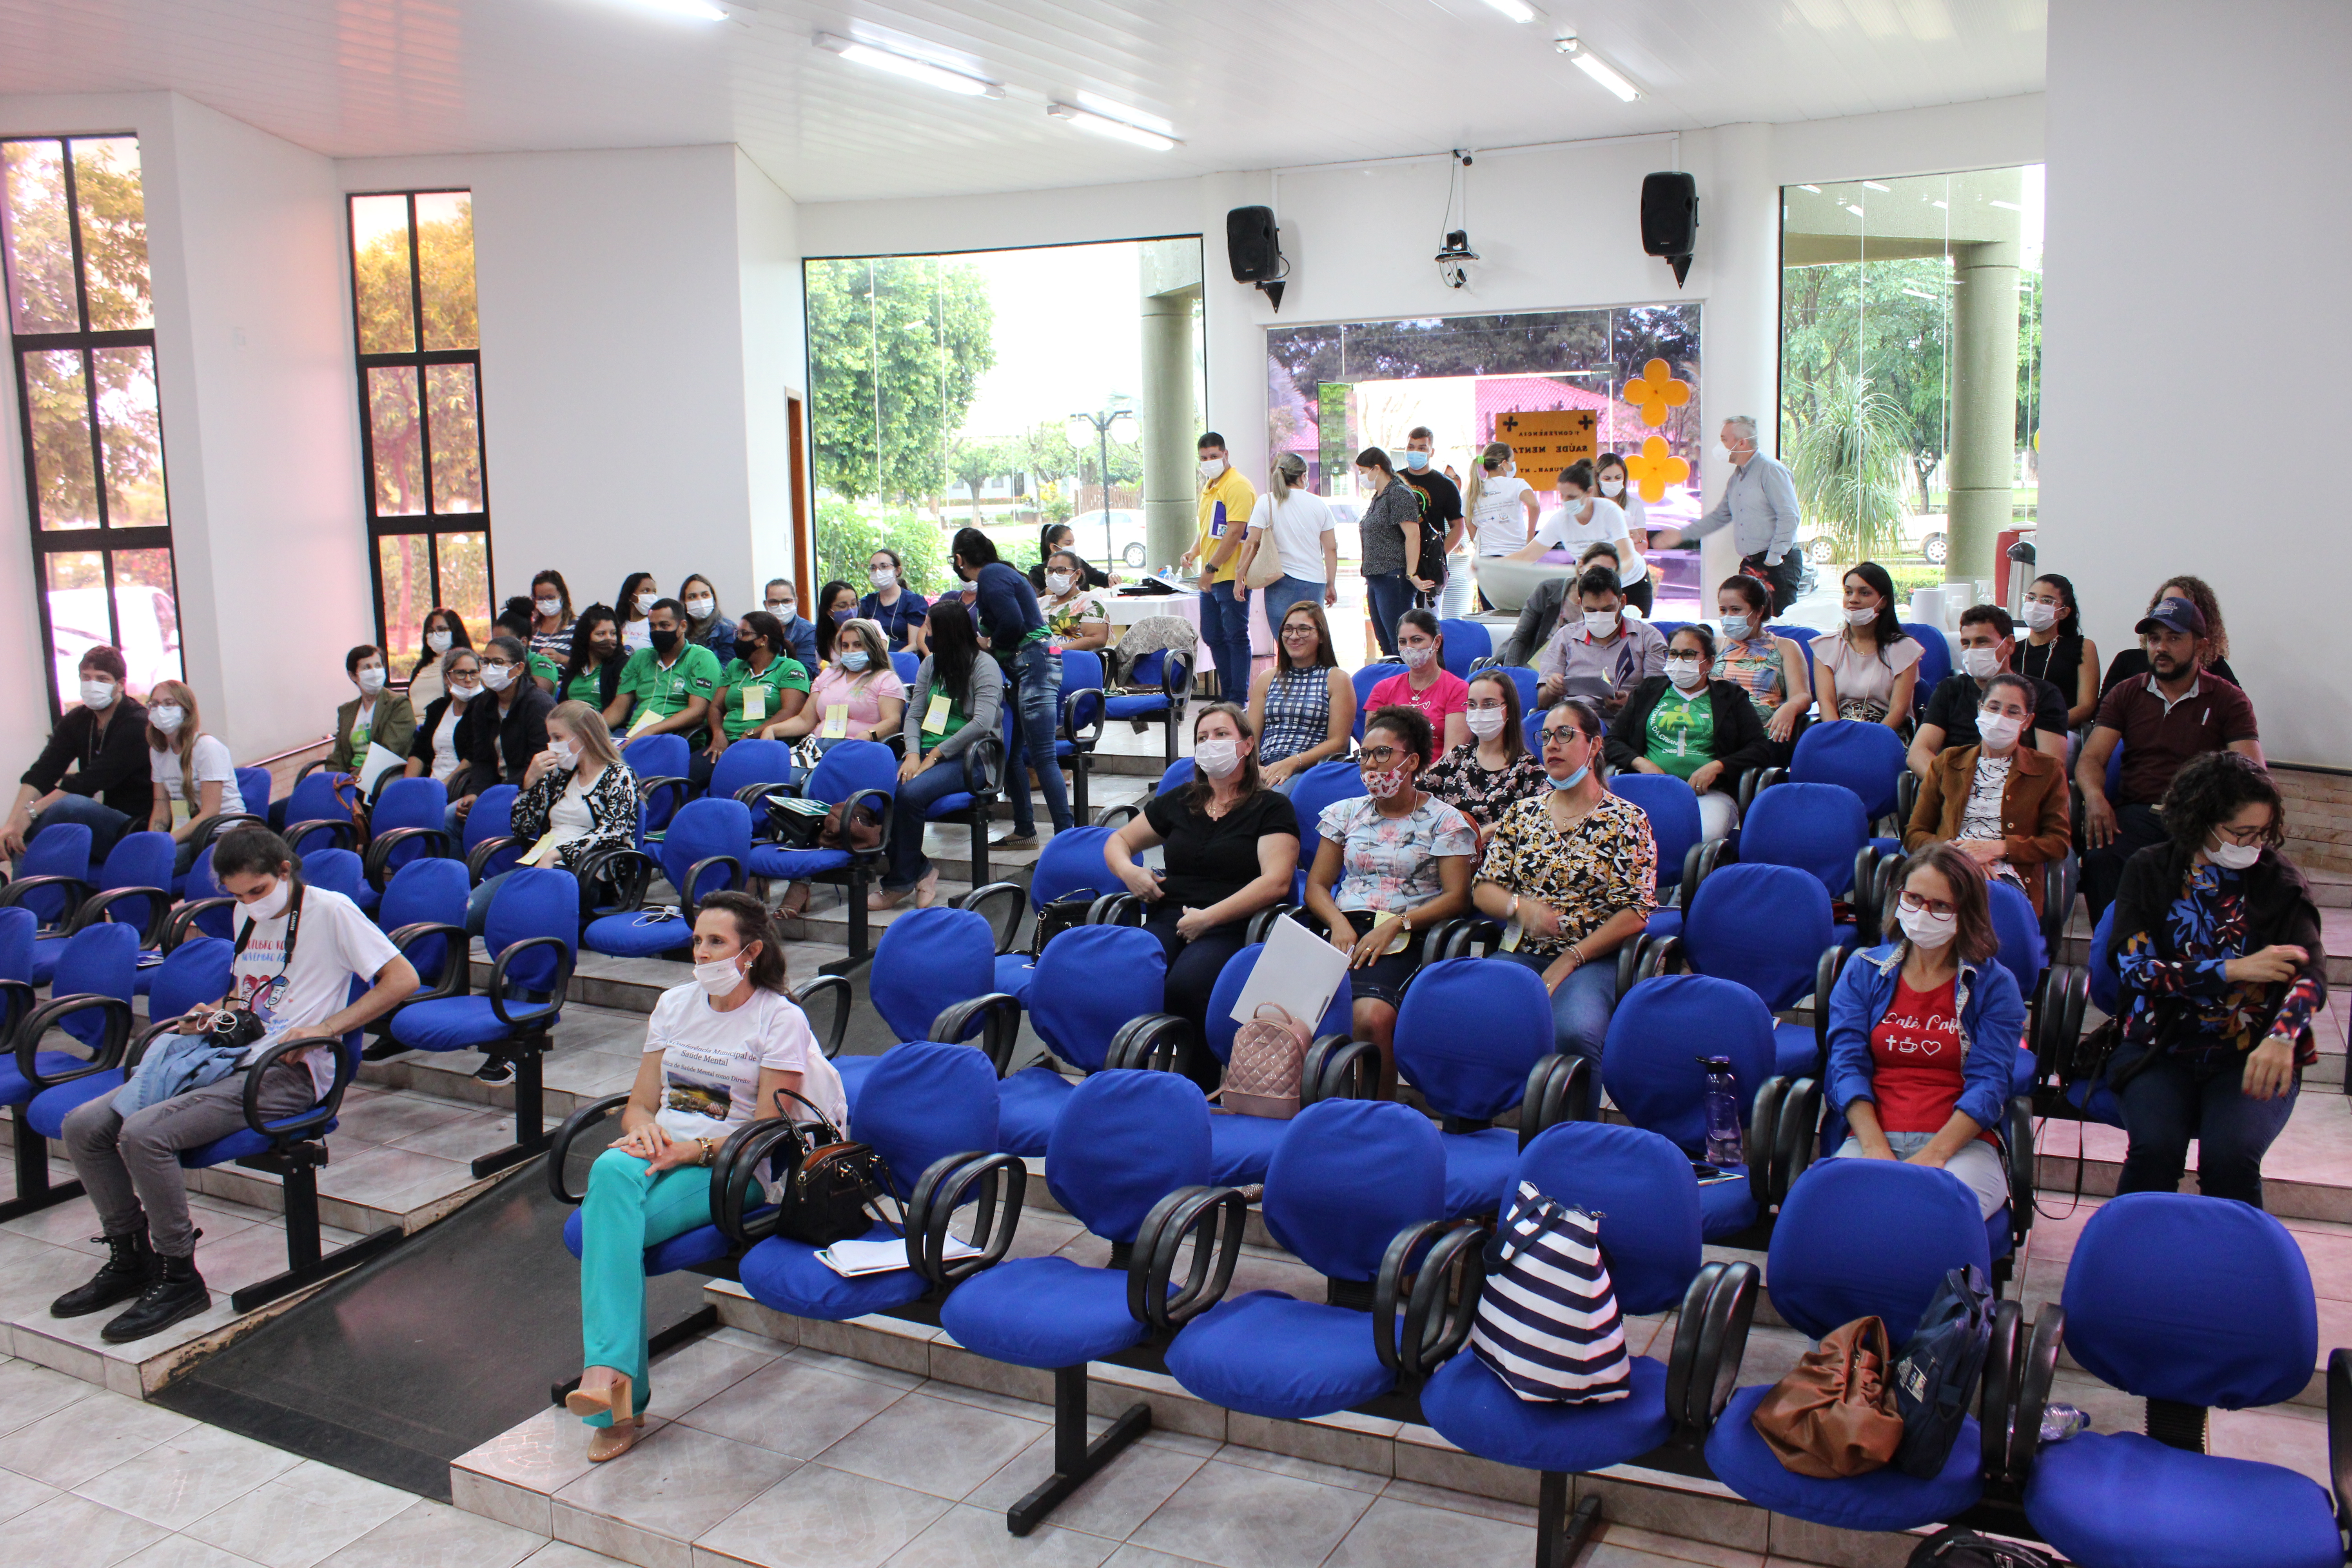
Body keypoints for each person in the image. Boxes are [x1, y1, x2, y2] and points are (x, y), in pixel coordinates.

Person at [51, 826, 418, 1342]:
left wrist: (328, 1027)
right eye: (237, 895)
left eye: (257, 891)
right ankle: (131, 1257)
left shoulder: (332, 910)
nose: (249, 903)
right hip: (229, 1056)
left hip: (289, 1072)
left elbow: (403, 979)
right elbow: (248, 998)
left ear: (285, 871)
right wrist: (213, 1015)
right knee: (84, 1126)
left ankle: (179, 1276)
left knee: (144, 1133)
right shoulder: (247, 913)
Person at [566, 890, 844, 1461]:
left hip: (733, 1167)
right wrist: (646, 1132)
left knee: (608, 1224)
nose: (701, 952)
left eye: (716, 942)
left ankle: (612, 1389)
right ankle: (611, 1378)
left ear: (751, 952)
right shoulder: (674, 1004)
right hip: (660, 1151)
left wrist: (688, 1151)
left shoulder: (779, 1018)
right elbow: (639, 1105)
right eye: (697, 940)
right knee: (612, 1165)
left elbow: (768, 1126)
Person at [2108, 753, 2325, 1211]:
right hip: (2159, 1048)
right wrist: (2235, 970)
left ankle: (2235, 1255)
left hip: (2247, 1052)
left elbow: (2312, 975)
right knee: (2155, 1150)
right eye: (2242, 833)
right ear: (2200, 821)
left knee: (2232, 1158)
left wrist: (2283, 1037)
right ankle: (2130, 1248)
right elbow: (2136, 969)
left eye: (2264, 833)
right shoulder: (2150, 869)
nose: (2254, 845)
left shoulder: (2279, 882)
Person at [1821, 843, 2024, 1220]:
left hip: (1960, 1145)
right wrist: (1876, 1149)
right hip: (1872, 1136)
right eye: (1914, 898)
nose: (1923, 913)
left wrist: (1934, 1156)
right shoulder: (1863, 971)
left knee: (1929, 1220)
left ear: (1967, 913)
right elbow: (1846, 1067)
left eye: (1941, 906)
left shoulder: (1996, 986)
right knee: (1839, 1216)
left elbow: (1990, 1083)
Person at [1302, 705, 1475, 1094]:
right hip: (1344, 927)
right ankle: (1302, 1105)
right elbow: (1317, 885)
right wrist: (1338, 924)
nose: (1370, 764)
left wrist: (1399, 923)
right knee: (1282, 1003)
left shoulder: (1446, 821)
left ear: (1411, 762)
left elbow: (1458, 898)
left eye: (1383, 754)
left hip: (1405, 933)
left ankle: (1375, 1111)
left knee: (1370, 1018)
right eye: (1365, 754)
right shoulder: (1345, 813)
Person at [1471, 699, 1655, 1061]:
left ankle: (1572, 1101)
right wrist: (1519, 908)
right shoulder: (1523, 813)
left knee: (1573, 1033)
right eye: (1546, 737)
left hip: (1592, 958)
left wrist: (1572, 957)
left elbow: (1635, 912)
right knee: (1478, 1016)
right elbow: (1484, 889)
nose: (1552, 745)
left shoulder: (1627, 820)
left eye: (1565, 734)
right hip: (1522, 952)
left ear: (1595, 745)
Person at [1105, 704, 1300, 1042]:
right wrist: (1130, 872)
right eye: (1202, 738)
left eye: (1222, 735)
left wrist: (1208, 918)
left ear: (1247, 745)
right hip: (1171, 916)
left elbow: (1277, 882)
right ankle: (1130, 1065)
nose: (1211, 743)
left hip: (1231, 923)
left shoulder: (1271, 807)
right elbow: (1118, 841)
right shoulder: (1183, 799)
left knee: (1186, 986)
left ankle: (1196, 1072)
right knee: (1127, 972)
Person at [2077, 597, 2264, 919]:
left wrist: (2231, 824)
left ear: (2201, 646)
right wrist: (2094, 797)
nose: (2161, 648)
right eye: (2154, 639)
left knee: (2249, 871)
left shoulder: (2228, 700)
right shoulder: (2127, 693)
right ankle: (2117, 947)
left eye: (2174, 638)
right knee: (2102, 858)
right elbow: (2091, 759)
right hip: (2139, 812)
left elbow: (2253, 774)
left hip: (2201, 818)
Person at [1904, 672, 2071, 917]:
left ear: (2027, 721)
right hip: (1946, 864)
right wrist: (1953, 852)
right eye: (1994, 707)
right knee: (1929, 898)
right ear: (1980, 709)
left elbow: (2058, 842)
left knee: (1986, 901)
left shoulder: (2048, 770)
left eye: (2013, 711)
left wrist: (1998, 848)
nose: (2001, 717)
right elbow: (1914, 834)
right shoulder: (1947, 762)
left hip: (2006, 875)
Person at [472, 702, 639, 941]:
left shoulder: (619, 775)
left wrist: (556, 854)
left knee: (510, 912)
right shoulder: (560, 774)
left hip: (586, 874)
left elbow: (614, 831)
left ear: (584, 736)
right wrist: (529, 782)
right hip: (540, 865)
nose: (552, 745)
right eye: (550, 737)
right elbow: (523, 827)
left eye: (558, 737)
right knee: (473, 908)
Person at [950, 528, 1072, 849]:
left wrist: (988, 644)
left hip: (1035, 667)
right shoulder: (1001, 573)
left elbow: (1013, 622)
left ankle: (1067, 840)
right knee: (1012, 755)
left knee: (1043, 757)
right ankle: (1025, 829)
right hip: (1029, 668)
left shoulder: (992, 575)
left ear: (959, 559)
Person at [877, 600, 1002, 910]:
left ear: (947, 633)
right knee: (877, 791)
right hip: (925, 754)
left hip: (969, 759)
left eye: (931, 628)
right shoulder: (931, 664)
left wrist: (935, 754)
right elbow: (914, 714)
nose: (926, 634)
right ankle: (922, 871)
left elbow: (982, 723)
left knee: (909, 794)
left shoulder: (984, 665)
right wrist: (912, 753)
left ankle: (899, 883)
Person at [1606, 624, 1773, 842]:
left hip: (1708, 795)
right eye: (1673, 654)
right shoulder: (1648, 691)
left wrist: (1718, 767)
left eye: (1688, 654)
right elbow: (1612, 741)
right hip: (1649, 789)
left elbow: (1760, 748)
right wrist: (1641, 764)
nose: (1678, 660)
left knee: (1702, 835)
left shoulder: (1732, 697)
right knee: (1622, 834)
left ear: (1710, 662)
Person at [2, 646, 152, 862]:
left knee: (68, 806)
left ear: (120, 684)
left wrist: (31, 814)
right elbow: (43, 772)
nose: (93, 685)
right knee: (25, 828)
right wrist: (12, 823)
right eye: (86, 678)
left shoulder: (138, 723)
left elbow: (89, 782)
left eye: (102, 679)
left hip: (132, 825)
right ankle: (21, 872)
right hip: (92, 821)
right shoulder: (77, 720)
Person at [1650, 416, 1803, 615]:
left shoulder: (1771, 470)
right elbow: (1720, 516)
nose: (1720, 446)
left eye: (1724, 440)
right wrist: (1681, 535)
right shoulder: (1736, 478)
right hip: (1751, 563)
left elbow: (1789, 516)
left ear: (1742, 443)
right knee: (1746, 621)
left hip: (1778, 563)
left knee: (1778, 625)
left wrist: (1774, 558)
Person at [1906, 604, 2070, 780]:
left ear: (2009, 645)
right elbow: (1918, 753)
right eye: (1966, 643)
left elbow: (2051, 766)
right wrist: (1952, 788)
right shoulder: (1950, 690)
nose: (1972, 650)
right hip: (1955, 784)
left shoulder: (2044, 694)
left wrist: (2002, 792)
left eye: (1982, 641)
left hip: (2019, 787)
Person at [1420, 670, 1550, 848]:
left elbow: (1544, 821)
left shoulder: (1527, 770)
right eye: (1472, 705)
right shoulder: (1457, 758)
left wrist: (1492, 830)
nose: (1479, 711)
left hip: (1496, 859)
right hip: (1444, 853)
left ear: (1509, 710)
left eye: (1489, 704)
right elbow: (1416, 798)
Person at [1179, 431, 1260, 700]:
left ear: (1226, 455)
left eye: (1214, 456)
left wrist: (1210, 569)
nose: (1208, 462)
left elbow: (1235, 532)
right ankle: (1228, 695)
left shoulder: (1237, 485)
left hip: (1231, 575)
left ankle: (1238, 698)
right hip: (1212, 577)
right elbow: (1209, 528)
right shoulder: (1211, 486)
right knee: (1212, 635)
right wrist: (1195, 551)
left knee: (1236, 636)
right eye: (1203, 458)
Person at [1510, 460, 1649, 615]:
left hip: (1632, 583)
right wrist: (1491, 567)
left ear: (1589, 492)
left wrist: (1606, 578)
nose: (1567, 502)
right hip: (1593, 589)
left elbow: (1627, 558)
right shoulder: (1560, 520)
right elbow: (1527, 556)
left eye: (1572, 497)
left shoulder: (1609, 512)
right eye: (1563, 496)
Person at [1247, 601, 1354, 794]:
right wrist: (1254, 767)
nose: (1294, 636)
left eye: (1304, 629)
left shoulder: (1337, 679)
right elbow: (1249, 736)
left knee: (1269, 801)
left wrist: (1293, 763)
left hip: (1308, 770)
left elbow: (1338, 743)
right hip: (1266, 767)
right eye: (1288, 630)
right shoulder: (1267, 678)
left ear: (1321, 636)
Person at [142, 681, 246, 876]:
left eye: (169, 703)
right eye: (154, 704)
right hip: (191, 831)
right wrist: (152, 843)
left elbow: (211, 812)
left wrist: (169, 841)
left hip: (222, 833)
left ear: (186, 710)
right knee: (141, 861)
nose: (160, 710)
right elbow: (161, 805)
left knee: (153, 868)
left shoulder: (206, 747)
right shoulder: (158, 751)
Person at [451, 636, 556, 828]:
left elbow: (540, 765)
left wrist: (494, 796)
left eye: (498, 662)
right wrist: (475, 793)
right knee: (448, 820)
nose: (490, 668)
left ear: (519, 668)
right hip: (492, 791)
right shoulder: (483, 705)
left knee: (484, 822)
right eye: (485, 662)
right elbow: (482, 759)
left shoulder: (538, 705)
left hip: (528, 792)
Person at [1534, 566, 1668, 715]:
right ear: (1581, 604)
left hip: (1626, 721)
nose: (1599, 616)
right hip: (1573, 719)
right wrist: (1551, 689)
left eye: (1608, 610)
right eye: (1591, 611)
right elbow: (1542, 701)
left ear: (1623, 602)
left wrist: (1631, 702)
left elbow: (1658, 696)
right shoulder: (1565, 636)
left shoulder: (1648, 637)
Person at [1710, 575, 1811, 768]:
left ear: (1758, 611)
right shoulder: (1715, 646)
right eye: (1723, 610)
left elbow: (1802, 695)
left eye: (1736, 610)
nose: (1728, 617)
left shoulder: (1785, 647)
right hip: (1714, 732)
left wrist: (1790, 708)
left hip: (1762, 736)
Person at [702, 610, 810, 782]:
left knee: (731, 781)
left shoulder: (790, 668)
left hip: (765, 743)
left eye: (744, 634)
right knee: (689, 776)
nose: (738, 639)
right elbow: (716, 707)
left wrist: (751, 734)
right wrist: (718, 733)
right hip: (725, 743)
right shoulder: (735, 666)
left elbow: (791, 712)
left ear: (763, 640)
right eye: (737, 633)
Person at [764, 618, 905, 750]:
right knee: (784, 768)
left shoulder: (886, 679)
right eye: (845, 646)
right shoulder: (828, 675)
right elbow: (805, 720)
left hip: (857, 747)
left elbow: (893, 722)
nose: (850, 651)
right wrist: (773, 729)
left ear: (872, 647)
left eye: (858, 645)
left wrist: (867, 735)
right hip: (817, 745)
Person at [1242, 451, 1339, 638]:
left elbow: (1252, 543)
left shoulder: (1267, 502)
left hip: (1279, 581)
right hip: (1314, 582)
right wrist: (1331, 584)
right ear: (1303, 476)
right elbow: (1331, 549)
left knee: (1285, 641)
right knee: (1310, 641)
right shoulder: (1319, 505)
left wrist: (1241, 577)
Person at [1813, 562, 1921, 729]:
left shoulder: (1905, 649)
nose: (1853, 600)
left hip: (1887, 733)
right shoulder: (1826, 646)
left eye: (1864, 593)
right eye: (1849, 592)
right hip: (1838, 730)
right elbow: (1826, 704)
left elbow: (1899, 710)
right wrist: (1838, 738)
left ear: (1883, 602)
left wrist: (1870, 740)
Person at [603, 599, 720, 750]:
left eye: (665, 626)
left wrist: (651, 730)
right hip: (633, 735)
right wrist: (592, 728)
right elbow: (619, 709)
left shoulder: (701, 658)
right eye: (653, 627)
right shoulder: (641, 658)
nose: (657, 631)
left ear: (683, 626)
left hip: (676, 738)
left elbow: (698, 712)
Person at [1353, 446, 1432, 659]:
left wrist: (1411, 574)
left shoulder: (1398, 493)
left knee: (1399, 642)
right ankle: (1394, 678)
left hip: (1393, 576)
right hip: (1377, 577)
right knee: (1386, 643)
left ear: (1377, 469)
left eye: (1363, 471)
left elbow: (1412, 535)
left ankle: (1406, 678)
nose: (1361, 477)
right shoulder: (1380, 496)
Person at [2102, 575, 2240, 696]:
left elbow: (2239, 710)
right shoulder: (2127, 662)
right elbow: (2104, 713)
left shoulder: (2216, 668)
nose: (2171, 612)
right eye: (2167, 605)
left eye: (2182, 606)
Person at [1496, 540, 1619, 669]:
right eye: (1595, 568)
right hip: (1529, 664)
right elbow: (1521, 637)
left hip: (1571, 671)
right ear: (1581, 566)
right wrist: (1512, 673)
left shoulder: (1611, 606)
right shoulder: (1548, 590)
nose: (1599, 576)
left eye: (1607, 572)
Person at [1366, 610, 1471, 755]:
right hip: (1388, 768)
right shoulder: (1383, 689)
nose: (1409, 648)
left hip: (1438, 768)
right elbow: (1371, 749)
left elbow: (1452, 756)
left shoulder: (1458, 689)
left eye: (1416, 640)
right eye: (1403, 642)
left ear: (1437, 642)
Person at [2012, 573, 2100, 731]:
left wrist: (2044, 728)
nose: (2036, 605)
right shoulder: (2012, 650)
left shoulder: (2083, 647)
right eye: (2032, 598)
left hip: (2061, 731)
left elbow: (2086, 707)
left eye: (2047, 601)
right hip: (2013, 730)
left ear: (2063, 612)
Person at [1397, 427, 1466, 620]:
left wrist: (1439, 555)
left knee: (1429, 621)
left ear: (1431, 452)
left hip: (1429, 567)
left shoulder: (1445, 485)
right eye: (1411, 447)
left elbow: (1458, 527)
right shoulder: (1395, 482)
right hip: (1398, 562)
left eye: (1422, 448)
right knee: (1400, 619)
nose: (1415, 452)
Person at [403, 648, 482, 793]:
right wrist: (407, 787)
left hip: (462, 786)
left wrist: (444, 786)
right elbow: (420, 751)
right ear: (447, 678)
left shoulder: (484, 708)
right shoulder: (438, 709)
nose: (468, 679)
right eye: (461, 673)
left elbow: (474, 755)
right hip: (431, 783)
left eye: (474, 673)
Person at [330, 644, 415, 775]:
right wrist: (334, 779)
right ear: (353, 676)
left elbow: (389, 752)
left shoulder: (399, 704)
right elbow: (339, 755)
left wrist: (350, 780)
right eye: (367, 667)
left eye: (378, 666)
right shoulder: (346, 711)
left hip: (384, 775)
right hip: (350, 777)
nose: (375, 672)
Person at [1465, 440, 1541, 562]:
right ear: (1504, 464)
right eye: (1512, 460)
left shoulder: (1472, 492)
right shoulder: (1518, 484)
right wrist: (1530, 537)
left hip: (1487, 558)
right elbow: (1534, 506)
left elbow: (1470, 524)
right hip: (1517, 555)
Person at [1037, 549, 1111, 652]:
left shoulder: (1089, 601)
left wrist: (1056, 650)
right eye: (1050, 571)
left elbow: (1097, 639)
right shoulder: (1039, 603)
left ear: (1077, 574)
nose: (1054, 575)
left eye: (1061, 570)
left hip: (1073, 658)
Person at [858, 549, 930, 653]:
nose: (878, 572)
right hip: (874, 660)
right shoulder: (868, 602)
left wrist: (891, 660)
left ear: (898, 571)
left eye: (884, 566)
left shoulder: (914, 602)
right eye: (873, 568)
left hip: (903, 659)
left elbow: (915, 645)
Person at [561, 605, 627, 711]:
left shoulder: (622, 666)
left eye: (613, 634)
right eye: (601, 634)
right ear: (586, 637)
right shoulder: (575, 668)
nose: (609, 639)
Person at [493, 597, 563, 693]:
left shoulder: (540, 664)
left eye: (505, 642)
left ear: (523, 642)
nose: (498, 647)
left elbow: (536, 695)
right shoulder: (492, 665)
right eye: (495, 642)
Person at [408, 606, 472, 710]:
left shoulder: (465, 663)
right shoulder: (421, 667)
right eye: (431, 631)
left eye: (442, 630)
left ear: (455, 631)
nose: (435, 635)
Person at [1025, 523, 1114, 593]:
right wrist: (1047, 592)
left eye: (1073, 543)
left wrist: (1111, 576)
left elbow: (1100, 578)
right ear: (1054, 547)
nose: (1072, 547)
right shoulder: (1037, 572)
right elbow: (1033, 599)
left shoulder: (1080, 564)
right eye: (1068, 544)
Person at [1595, 451, 1651, 556]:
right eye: (1607, 479)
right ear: (1598, 479)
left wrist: (1637, 539)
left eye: (1618, 478)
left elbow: (1643, 548)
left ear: (1624, 477)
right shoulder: (1590, 505)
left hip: (1626, 563)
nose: (1613, 482)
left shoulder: (1634, 505)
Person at [761, 578, 822, 672]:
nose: (780, 607)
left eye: (786, 601)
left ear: (796, 602)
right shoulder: (758, 631)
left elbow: (806, 672)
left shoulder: (808, 632)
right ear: (766, 605)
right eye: (774, 602)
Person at [678, 573, 737, 660]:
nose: (700, 601)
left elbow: (728, 665)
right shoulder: (679, 631)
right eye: (693, 597)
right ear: (684, 602)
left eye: (705, 595)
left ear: (713, 599)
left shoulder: (728, 629)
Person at [528, 572, 576, 664]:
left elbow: (588, 665)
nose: (546, 602)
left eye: (551, 598)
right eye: (540, 599)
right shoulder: (531, 627)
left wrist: (561, 659)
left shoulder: (577, 627)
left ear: (562, 597)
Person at [814, 580, 860, 667]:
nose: (851, 611)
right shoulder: (824, 647)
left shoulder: (873, 627)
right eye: (843, 606)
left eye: (854, 604)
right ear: (828, 611)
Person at [615, 571, 659, 653]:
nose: (652, 596)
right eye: (646, 591)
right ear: (631, 596)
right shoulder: (617, 624)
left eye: (654, 592)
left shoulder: (654, 626)